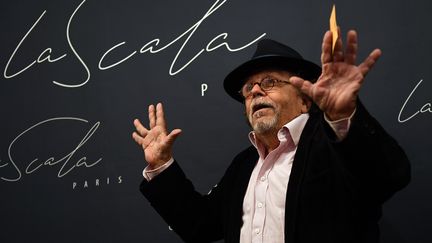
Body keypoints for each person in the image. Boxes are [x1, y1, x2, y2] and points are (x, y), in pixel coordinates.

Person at [132, 30, 411, 243]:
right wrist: (161, 165)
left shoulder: (335, 143)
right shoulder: (243, 166)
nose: (255, 92)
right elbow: (200, 225)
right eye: (249, 88)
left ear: (305, 100)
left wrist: (343, 115)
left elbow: (390, 175)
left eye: (269, 83)